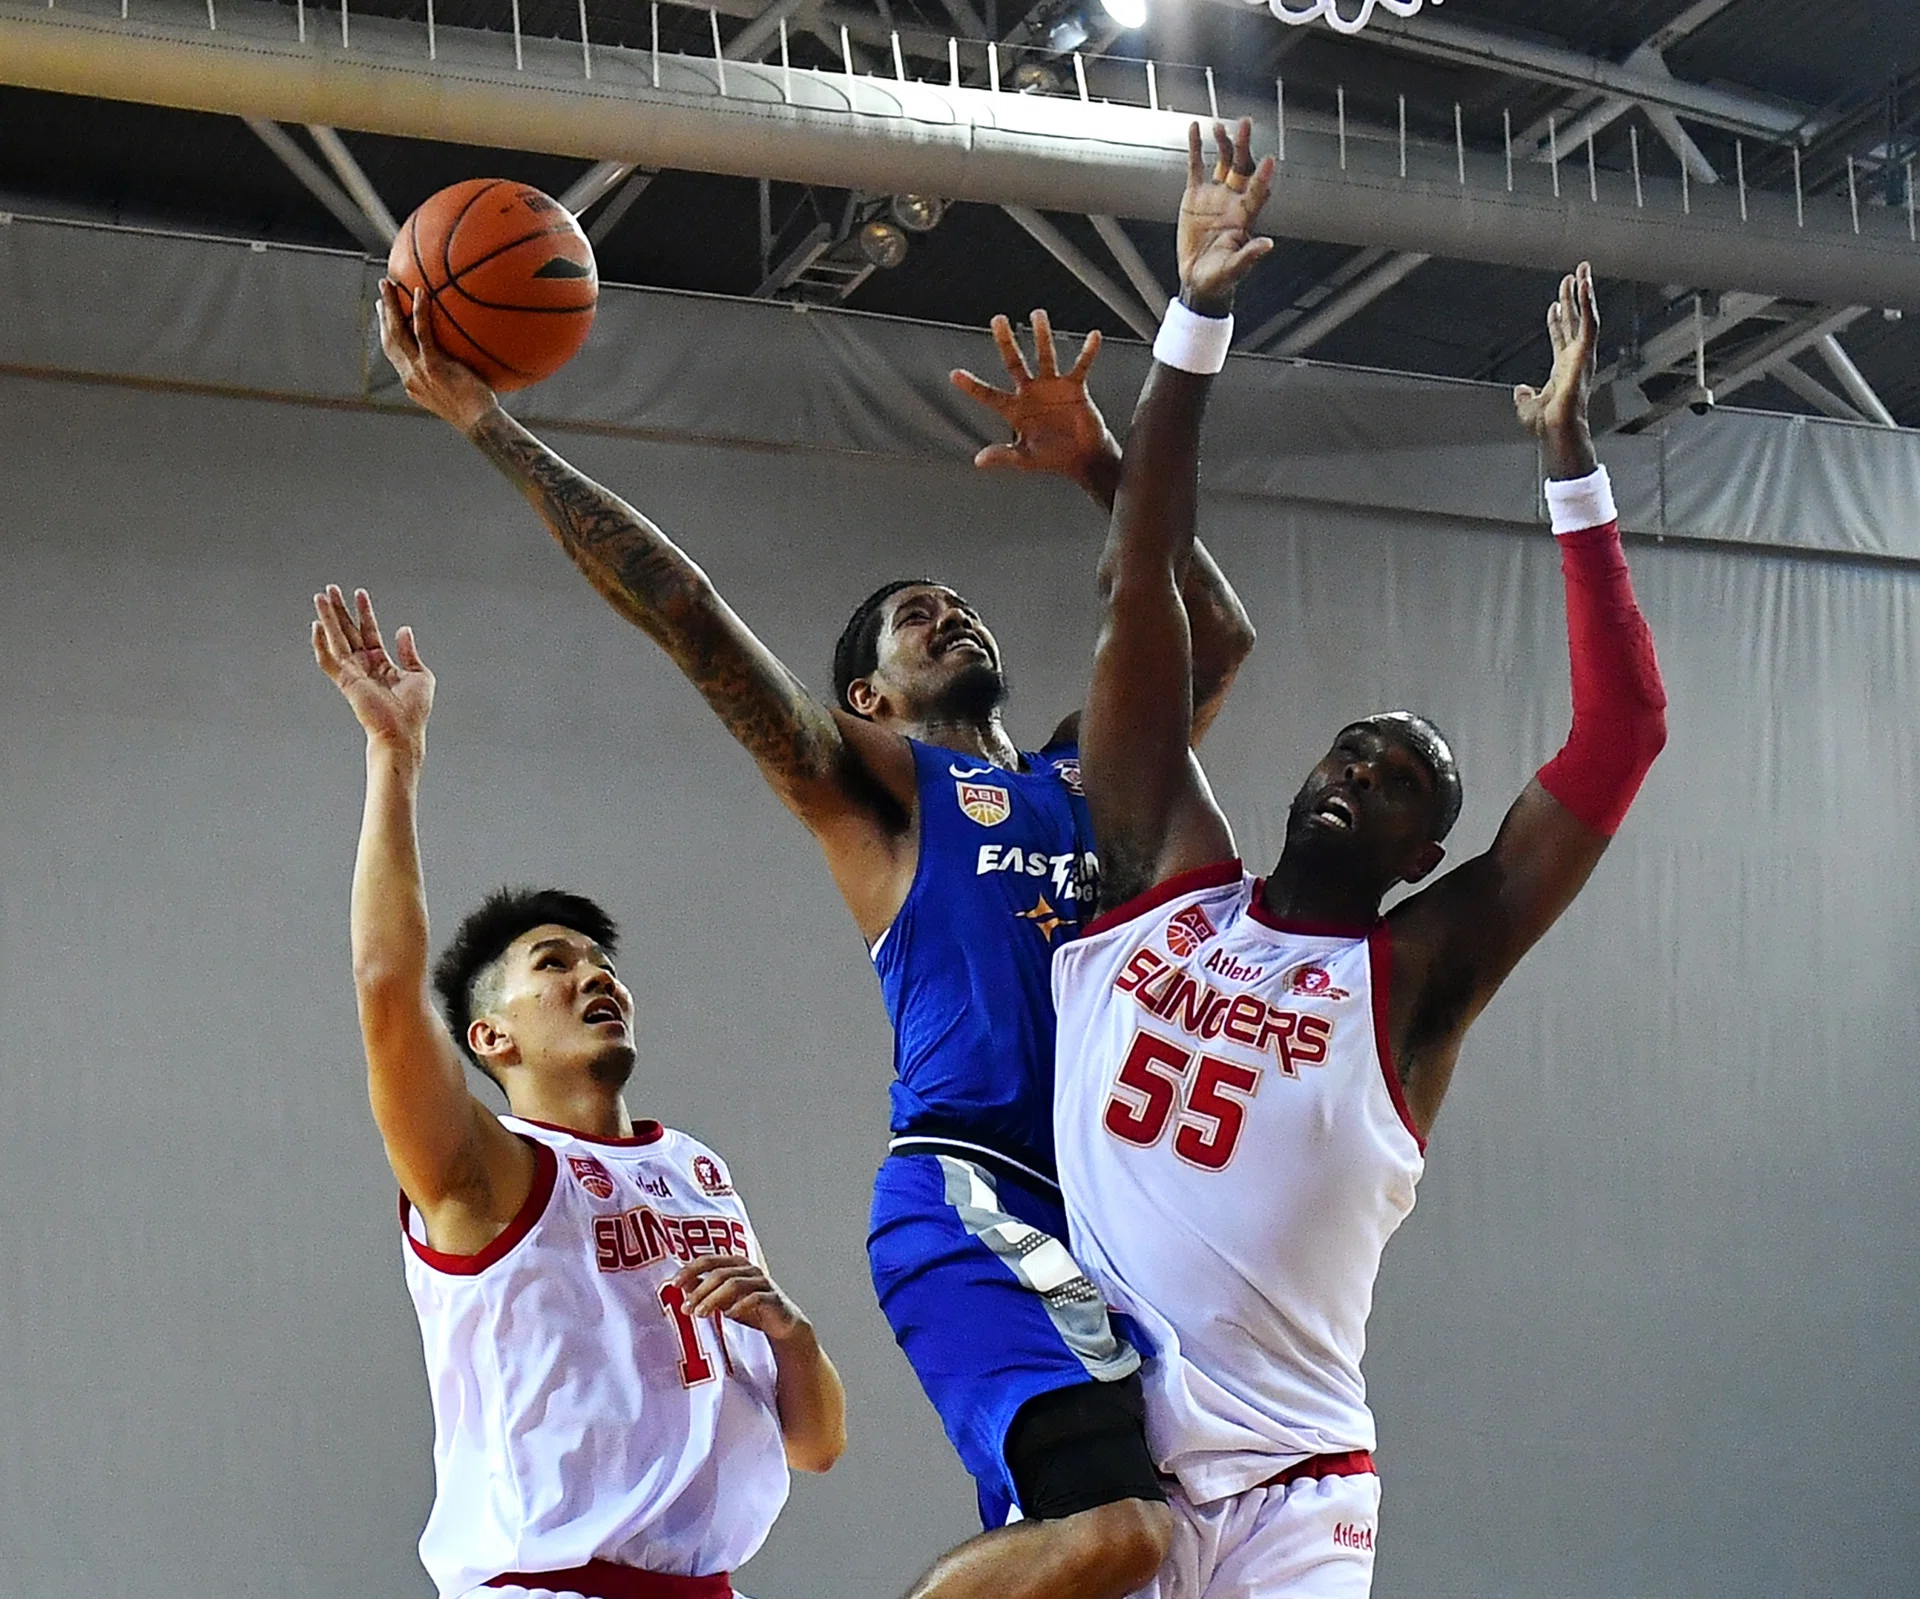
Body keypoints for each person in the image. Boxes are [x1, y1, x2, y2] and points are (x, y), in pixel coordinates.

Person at [375, 250, 1257, 1596]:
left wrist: (1099, 467)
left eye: (954, 602)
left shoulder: (1094, 780)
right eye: (913, 620)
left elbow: (1214, 632)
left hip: (1121, 1202)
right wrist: (499, 432)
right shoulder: (891, 801)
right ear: (866, 698)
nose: (947, 610)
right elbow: (684, 610)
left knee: (1160, 1560)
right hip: (978, 1180)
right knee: (1126, 1528)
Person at [1051, 127, 1668, 1599]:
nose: (1359, 774)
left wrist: (1569, 463)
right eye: (1349, 750)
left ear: (1426, 852)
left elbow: (1624, 731)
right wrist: (1193, 314)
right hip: (1103, 1474)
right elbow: (1147, 580)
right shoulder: (1163, 871)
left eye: (1400, 782)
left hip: (1296, 1492)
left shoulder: (1414, 976)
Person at [311, 584, 846, 1599]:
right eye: (554, 962)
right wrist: (396, 759)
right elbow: (387, 987)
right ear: (489, 1035)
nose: (593, 974)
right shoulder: (486, 1172)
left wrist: (796, 1337)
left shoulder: (696, 1169)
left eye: (601, 959)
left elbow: (815, 1447)